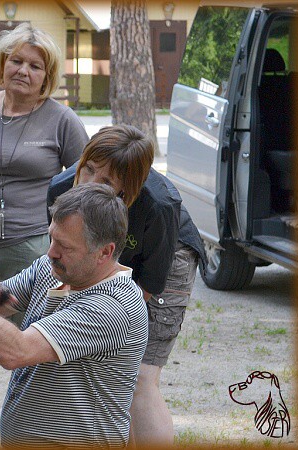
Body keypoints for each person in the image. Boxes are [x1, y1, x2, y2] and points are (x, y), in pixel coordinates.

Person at [0, 22, 89, 447]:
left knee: (35, 361)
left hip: (35, 254)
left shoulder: (63, 121)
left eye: (35, 65)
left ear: (48, 75)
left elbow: (84, 195)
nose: (23, 71)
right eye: (16, 61)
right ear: (2, 63)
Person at [0, 183, 148, 449]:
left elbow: (14, 351)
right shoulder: (52, 269)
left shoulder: (113, 305)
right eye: (51, 237)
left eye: (64, 246)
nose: (51, 252)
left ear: (105, 252)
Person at [47, 125, 207, 446]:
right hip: (107, 257)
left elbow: (143, 292)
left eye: (106, 182)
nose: (90, 184)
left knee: (140, 380)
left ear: (128, 189)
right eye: (88, 170)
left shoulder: (159, 205)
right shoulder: (60, 190)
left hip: (168, 256)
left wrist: (111, 329)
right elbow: (61, 260)